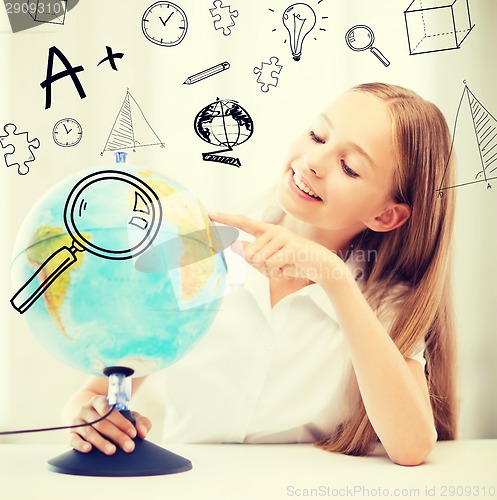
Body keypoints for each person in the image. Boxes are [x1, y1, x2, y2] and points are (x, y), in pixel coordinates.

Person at [62, 82, 457, 466]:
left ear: (386, 215)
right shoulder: (197, 252)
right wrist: (88, 416)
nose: (314, 162)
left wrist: (334, 277)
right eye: (318, 136)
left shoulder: (384, 304)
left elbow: (411, 446)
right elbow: (97, 391)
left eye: (348, 167)